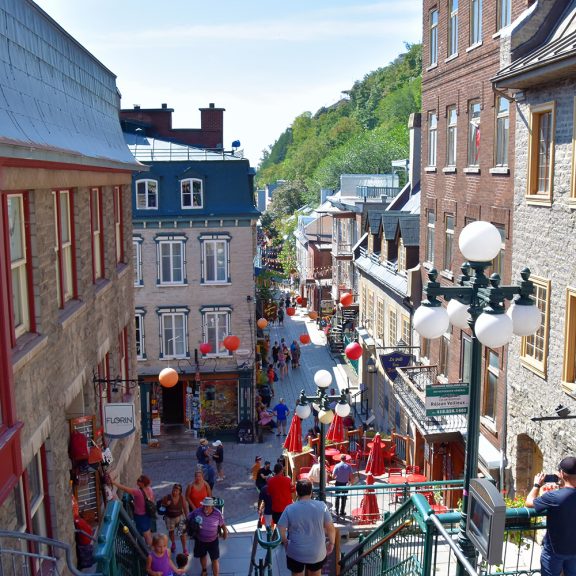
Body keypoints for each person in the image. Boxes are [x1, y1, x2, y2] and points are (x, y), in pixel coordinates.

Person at [525, 456, 576, 576]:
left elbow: (529, 502)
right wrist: (562, 485)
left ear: (562, 473)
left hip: (554, 550)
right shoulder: (558, 495)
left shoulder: (554, 497)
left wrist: (537, 485)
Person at [277, 479, 336, 576]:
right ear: (311, 492)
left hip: (295, 551)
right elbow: (330, 528)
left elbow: (281, 527)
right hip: (317, 551)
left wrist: (285, 542)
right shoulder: (322, 506)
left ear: (297, 492)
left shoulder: (290, 508)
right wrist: (332, 543)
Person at [188, 496, 228, 576]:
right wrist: (190, 526)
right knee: (202, 556)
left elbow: (222, 524)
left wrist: (225, 533)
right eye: (204, 505)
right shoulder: (197, 512)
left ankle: (216, 575)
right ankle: (204, 570)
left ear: (212, 506)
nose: (205, 508)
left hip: (213, 541)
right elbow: (188, 518)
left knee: (215, 559)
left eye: (208, 506)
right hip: (200, 540)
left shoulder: (217, 513)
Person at [111, 474, 154, 546]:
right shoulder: (150, 489)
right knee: (147, 531)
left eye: (139, 481)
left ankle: (150, 550)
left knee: (146, 534)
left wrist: (114, 483)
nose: (137, 481)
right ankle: (149, 545)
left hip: (140, 516)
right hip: (147, 514)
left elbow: (125, 489)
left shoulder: (138, 492)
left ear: (142, 484)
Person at [161, 483, 189, 554]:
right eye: (173, 490)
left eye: (176, 491)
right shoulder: (167, 497)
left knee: (182, 533)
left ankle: (184, 548)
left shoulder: (182, 497)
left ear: (179, 492)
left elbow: (185, 508)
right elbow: (161, 507)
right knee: (171, 531)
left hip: (180, 517)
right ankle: (173, 543)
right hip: (169, 518)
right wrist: (166, 504)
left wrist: (187, 518)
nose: (174, 492)